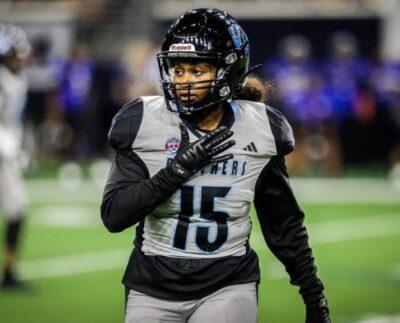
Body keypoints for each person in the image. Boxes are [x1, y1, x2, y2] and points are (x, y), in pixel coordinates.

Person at [101, 8, 330, 323]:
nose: (184, 81)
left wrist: (313, 294)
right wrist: (176, 171)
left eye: (197, 70)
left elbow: (283, 224)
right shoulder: (142, 121)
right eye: (178, 70)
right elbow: (114, 216)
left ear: (229, 72)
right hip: (152, 286)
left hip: (227, 283)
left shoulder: (260, 128)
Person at [0, 23, 31, 290]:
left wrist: (18, 146)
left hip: (6, 157)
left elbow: (12, 120)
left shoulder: (17, 78)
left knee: (17, 210)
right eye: (18, 52)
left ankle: (9, 272)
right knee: (16, 209)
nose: (23, 56)